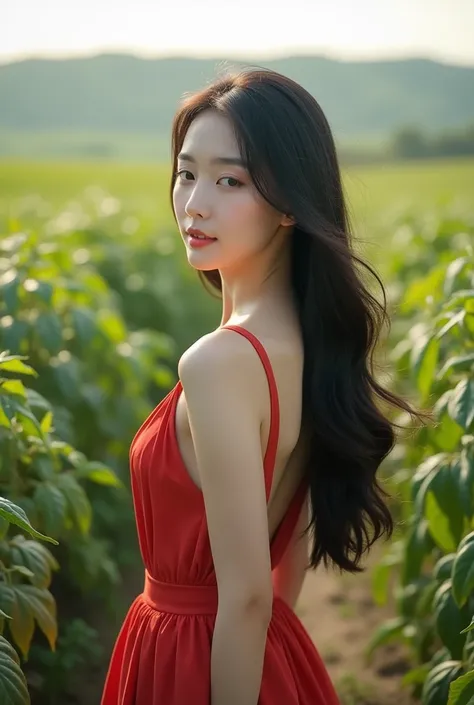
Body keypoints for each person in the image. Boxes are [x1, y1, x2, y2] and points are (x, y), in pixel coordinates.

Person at [101, 67, 424, 705]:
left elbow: (248, 596)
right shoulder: (311, 346)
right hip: (273, 655)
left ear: (288, 204)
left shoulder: (220, 363)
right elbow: (285, 575)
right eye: (187, 172)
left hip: (192, 659)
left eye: (230, 180)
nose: (195, 202)